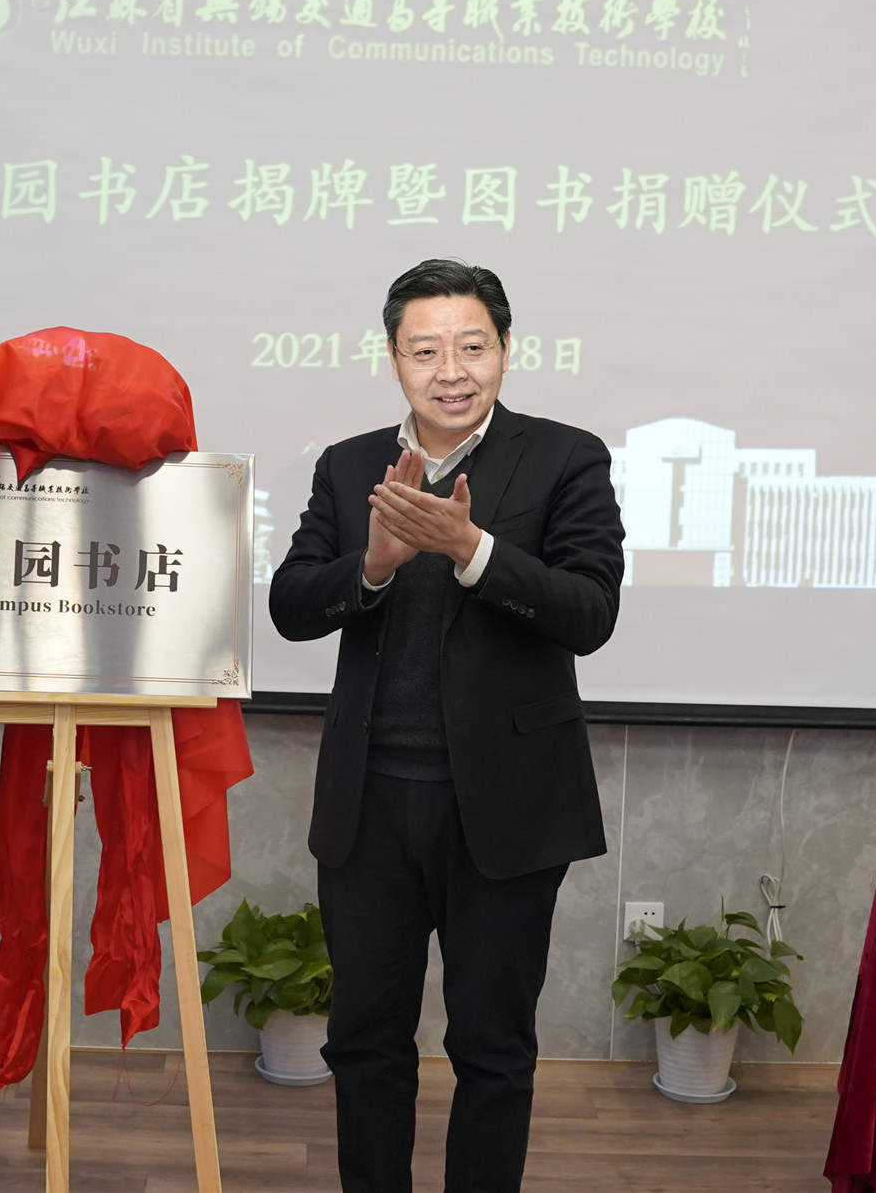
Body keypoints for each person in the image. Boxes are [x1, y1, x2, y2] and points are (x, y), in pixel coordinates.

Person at [269, 258, 625, 1193]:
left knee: (494, 1046)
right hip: (370, 805)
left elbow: (590, 611)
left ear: (505, 349)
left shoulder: (566, 457)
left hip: (505, 808)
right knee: (366, 1040)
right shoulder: (349, 466)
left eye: (472, 346)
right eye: (425, 351)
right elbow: (291, 604)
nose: (451, 371)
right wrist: (374, 564)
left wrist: (473, 550)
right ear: (394, 359)